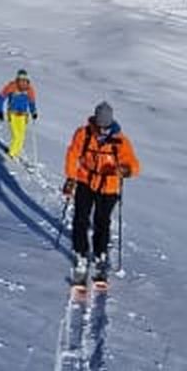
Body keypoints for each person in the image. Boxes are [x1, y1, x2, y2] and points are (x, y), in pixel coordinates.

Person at [63, 102, 140, 284]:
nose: (102, 130)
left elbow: (134, 165)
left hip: (109, 186)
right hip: (85, 181)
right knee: (80, 218)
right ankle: (81, 253)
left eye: (106, 126)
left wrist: (126, 170)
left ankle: (100, 256)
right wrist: (71, 178)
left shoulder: (120, 140)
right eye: (100, 125)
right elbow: (72, 154)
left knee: (102, 222)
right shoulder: (83, 133)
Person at [0, 69, 38, 160]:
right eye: (20, 79)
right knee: (16, 136)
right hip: (13, 114)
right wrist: (0, 111)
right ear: (17, 79)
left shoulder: (29, 89)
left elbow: (32, 102)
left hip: (23, 115)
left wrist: (33, 112)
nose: (22, 82)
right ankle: (11, 154)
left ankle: (16, 152)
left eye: (24, 80)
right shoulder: (12, 86)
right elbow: (1, 98)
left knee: (22, 136)